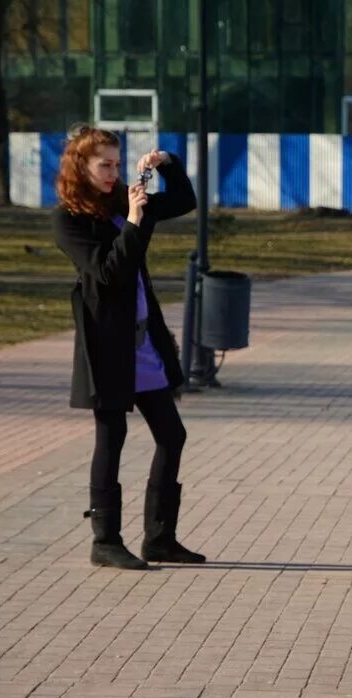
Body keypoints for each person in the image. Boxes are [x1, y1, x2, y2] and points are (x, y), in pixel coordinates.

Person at [53, 125, 204, 570]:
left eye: (118, 164)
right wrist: (135, 222)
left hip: (144, 342)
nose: (114, 172)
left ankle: (159, 539)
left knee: (172, 435)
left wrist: (168, 164)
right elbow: (108, 273)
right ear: (81, 165)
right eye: (105, 164)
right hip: (108, 346)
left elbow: (183, 201)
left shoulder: (125, 199)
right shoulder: (69, 218)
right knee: (111, 437)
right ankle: (105, 541)